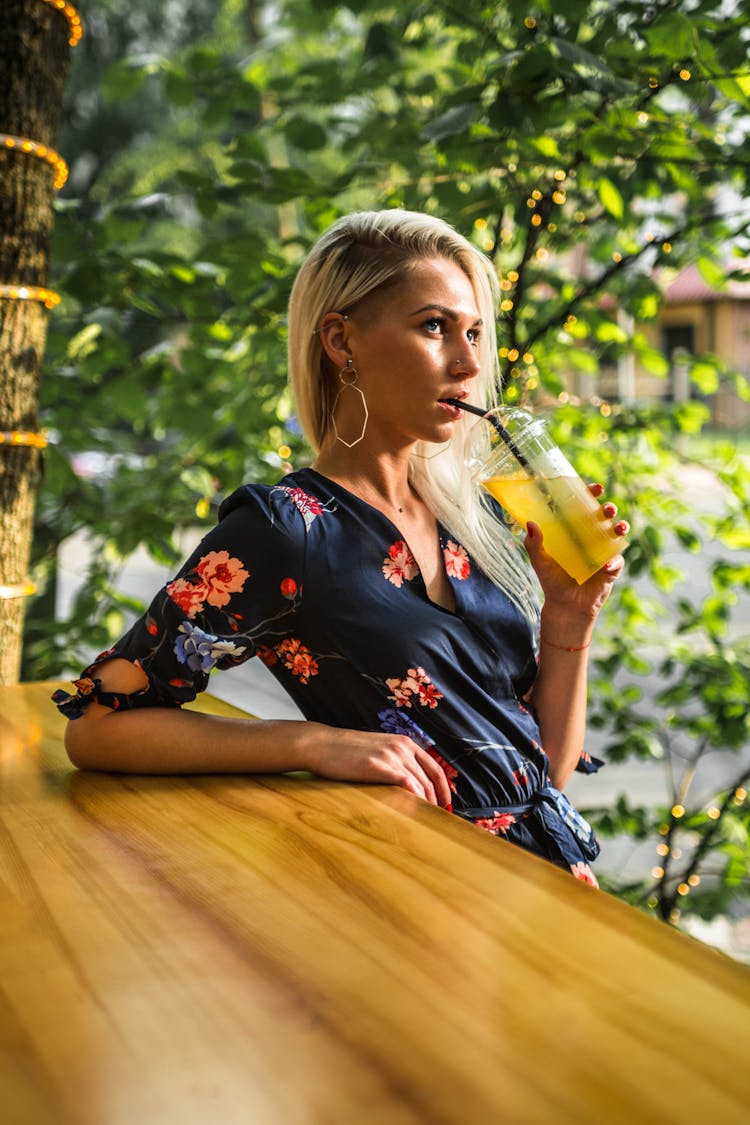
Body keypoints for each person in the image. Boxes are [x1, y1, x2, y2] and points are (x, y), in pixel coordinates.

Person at [54, 209, 628, 886]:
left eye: (474, 332)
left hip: (550, 894)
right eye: (434, 326)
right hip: (432, 898)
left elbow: (541, 773)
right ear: (340, 339)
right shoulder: (286, 529)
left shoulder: (469, 526)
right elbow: (96, 725)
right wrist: (312, 743)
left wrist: (569, 618)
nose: (470, 363)